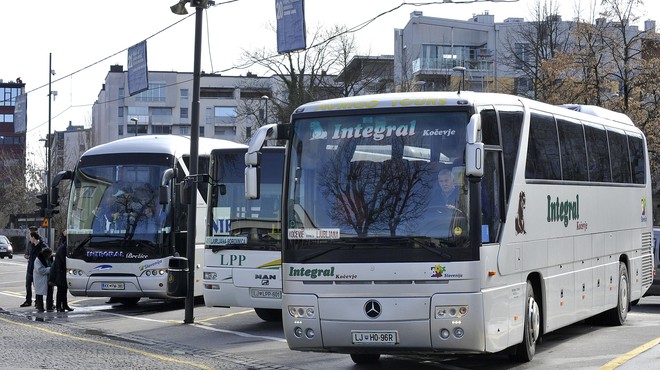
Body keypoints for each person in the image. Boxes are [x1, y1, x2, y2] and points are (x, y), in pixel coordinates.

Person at [50, 230, 73, 312]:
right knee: (60, 290)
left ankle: (64, 305)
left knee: (64, 290)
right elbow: (63, 261)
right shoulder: (62, 249)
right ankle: (59, 306)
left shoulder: (63, 248)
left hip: (62, 272)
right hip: (60, 272)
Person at [31, 232, 53, 312]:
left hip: (48, 279)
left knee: (50, 293)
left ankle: (49, 306)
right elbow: (41, 270)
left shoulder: (49, 259)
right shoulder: (38, 260)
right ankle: (40, 307)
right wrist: (50, 269)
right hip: (40, 279)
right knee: (39, 293)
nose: (49, 257)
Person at [20, 226, 39, 307]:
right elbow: (27, 253)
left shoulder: (39, 243)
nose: (29, 235)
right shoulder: (29, 243)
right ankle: (28, 300)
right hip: (30, 267)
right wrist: (26, 255)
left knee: (36, 286)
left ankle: (38, 301)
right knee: (28, 285)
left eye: (30, 234)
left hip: (36, 268)